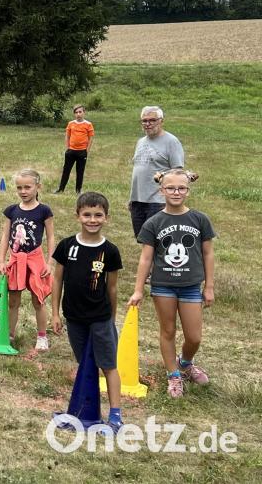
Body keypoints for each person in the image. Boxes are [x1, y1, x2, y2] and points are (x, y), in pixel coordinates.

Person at [128, 169, 215, 398]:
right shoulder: (154, 222)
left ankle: (185, 363)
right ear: (161, 190)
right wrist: (138, 289)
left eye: (181, 188)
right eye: (171, 188)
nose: (176, 192)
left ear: (188, 190)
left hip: (190, 286)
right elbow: (146, 258)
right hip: (163, 286)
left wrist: (209, 286)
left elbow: (208, 254)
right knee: (167, 331)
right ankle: (173, 376)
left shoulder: (199, 219)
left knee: (194, 336)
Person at [51, 192, 124, 431]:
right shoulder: (66, 246)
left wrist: (111, 319)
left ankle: (115, 416)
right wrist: (54, 313)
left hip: (100, 319)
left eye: (98, 215)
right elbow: (57, 280)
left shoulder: (110, 251)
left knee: (108, 365)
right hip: (74, 317)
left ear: (107, 218)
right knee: (85, 364)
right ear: (78, 216)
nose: (92, 220)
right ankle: (81, 410)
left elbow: (112, 288)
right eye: (87, 214)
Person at [0, 169, 55, 351]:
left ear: (38, 187)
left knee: (38, 300)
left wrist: (49, 262)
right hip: (16, 260)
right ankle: (10, 334)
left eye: (28, 187)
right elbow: (6, 236)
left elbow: (51, 237)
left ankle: (42, 336)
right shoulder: (11, 211)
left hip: (35, 260)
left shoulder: (44, 211)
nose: (23, 191)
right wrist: (1, 260)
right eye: (19, 188)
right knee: (13, 300)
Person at [128, 105, 193, 237]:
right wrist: (132, 198)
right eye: (144, 121)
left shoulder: (171, 142)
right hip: (138, 201)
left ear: (161, 121)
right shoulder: (140, 142)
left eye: (152, 120)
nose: (148, 124)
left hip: (158, 201)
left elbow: (178, 174)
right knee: (142, 239)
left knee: (159, 240)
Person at [53, 104, 94, 194]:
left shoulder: (88, 124)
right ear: (74, 114)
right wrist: (68, 148)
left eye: (80, 112)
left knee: (80, 172)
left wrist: (87, 150)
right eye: (76, 112)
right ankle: (61, 189)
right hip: (71, 151)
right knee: (66, 170)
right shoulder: (71, 124)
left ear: (84, 113)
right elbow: (67, 136)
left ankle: (78, 190)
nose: (78, 114)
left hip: (82, 152)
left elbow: (91, 138)